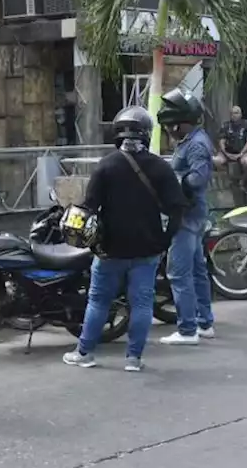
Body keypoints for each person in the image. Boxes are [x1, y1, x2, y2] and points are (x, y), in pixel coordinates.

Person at [63, 105, 184, 372]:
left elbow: (88, 208)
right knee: (141, 303)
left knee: (98, 301)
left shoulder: (106, 166)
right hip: (148, 250)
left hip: (110, 251)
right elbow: (177, 209)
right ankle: (133, 359)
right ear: (147, 134)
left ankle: (84, 352)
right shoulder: (160, 167)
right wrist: (164, 240)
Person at [157, 88, 216, 346]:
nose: (169, 132)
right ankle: (205, 323)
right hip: (192, 213)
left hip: (187, 216)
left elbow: (198, 179)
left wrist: (171, 180)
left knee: (179, 273)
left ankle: (187, 329)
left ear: (182, 124)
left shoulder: (197, 145)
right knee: (198, 270)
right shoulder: (191, 140)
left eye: (171, 126)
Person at [212, 106, 247, 204]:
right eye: (232, 113)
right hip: (227, 152)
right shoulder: (225, 125)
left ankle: (243, 181)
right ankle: (228, 179)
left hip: (242, 152)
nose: (234, 115)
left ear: (241, 114)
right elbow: (221, 141)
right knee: (216, 160)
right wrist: (226, 153)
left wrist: (241, 154)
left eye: (236, 113)